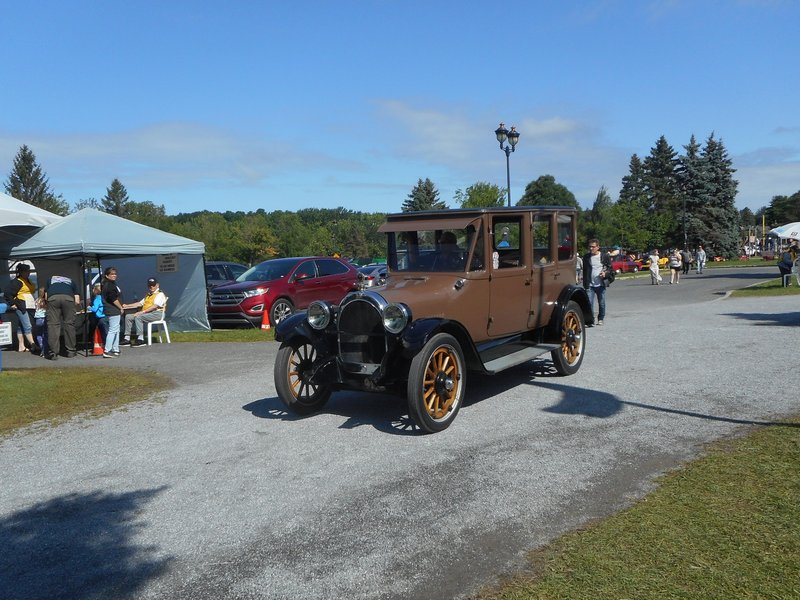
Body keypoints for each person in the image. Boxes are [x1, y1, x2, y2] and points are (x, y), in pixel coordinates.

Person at [43, 273, 81, 360]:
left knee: (53, 325)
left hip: (53, 298)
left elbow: (46, 297)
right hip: (68, 299)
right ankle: (71, 351)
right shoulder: (71, 281)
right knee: (69, 324)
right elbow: (77, 301)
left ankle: (53, 353)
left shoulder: (50, 280)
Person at [121, 277, 166, 347]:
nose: (151, 287)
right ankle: (127, 338)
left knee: (139, 317)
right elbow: (139, 304)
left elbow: (155, 306)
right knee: (128, 316)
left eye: (153, 285)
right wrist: (127, 306)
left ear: (157, 285)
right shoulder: (148, 295)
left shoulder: (160, 294)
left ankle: (140, 339)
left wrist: (142, 312)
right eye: (150, 285)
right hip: (148, 313)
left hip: (157, 313)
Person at [4, 263, 39, 353]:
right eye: (26, 271)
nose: (28, 273)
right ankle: (33, 345)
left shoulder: (28, 280)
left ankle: (21, 346)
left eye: (29, 271)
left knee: (21, 326)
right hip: (21, 305)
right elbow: (7, 293)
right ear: (21, 272)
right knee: (28, 326)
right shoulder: (17, 281)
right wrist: (12, 303)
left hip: (29, 305)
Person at [582, 238, 612, 325]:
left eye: (593, 247)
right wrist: (582, 279)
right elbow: (584, 270)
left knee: (601, 303)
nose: (591, 248)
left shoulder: (604, 256)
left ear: (598, 247)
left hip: (600, 284)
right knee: (589, 303)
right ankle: (590, 320)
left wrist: (605, 274)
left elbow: (610, 268)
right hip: (590, 284)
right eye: (590, 247)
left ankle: (601, 318)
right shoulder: (586, 257)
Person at [101, 266, 125, 358]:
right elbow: (113, 299)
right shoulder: (109, 285)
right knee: (112, 330)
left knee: (116, 330)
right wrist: (121, 308)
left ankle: (115, 349)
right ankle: (107, 351)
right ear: (107, 276)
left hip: (113, 310)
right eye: (112, 274)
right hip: (113, 309)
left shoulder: (111, 284)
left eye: (115, 274)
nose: (114, 275)